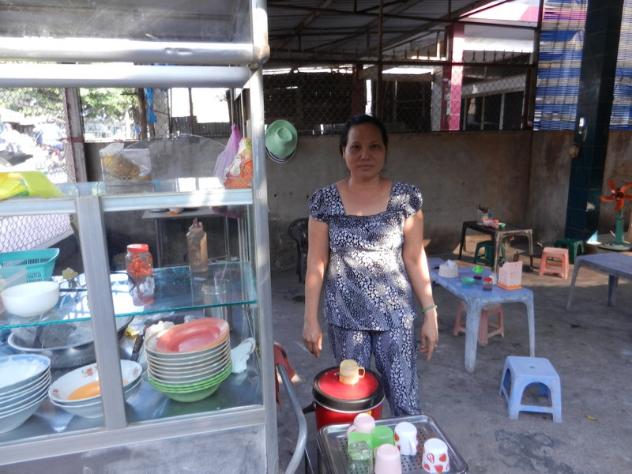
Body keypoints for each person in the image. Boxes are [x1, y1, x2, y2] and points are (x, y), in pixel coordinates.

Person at [302, 114, 439, 416]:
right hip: (346, 319)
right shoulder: (324, 201)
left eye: (374, 146)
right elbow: (316, 262)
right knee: (355, 405)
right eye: (356, 147)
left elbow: (414, 257)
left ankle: (404, 445)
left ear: (386, 150)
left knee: (405, 401)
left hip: (396, 318)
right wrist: (310, 319)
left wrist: (430, 312)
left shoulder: (405, 199)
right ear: (343, 151)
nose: (365, 154)